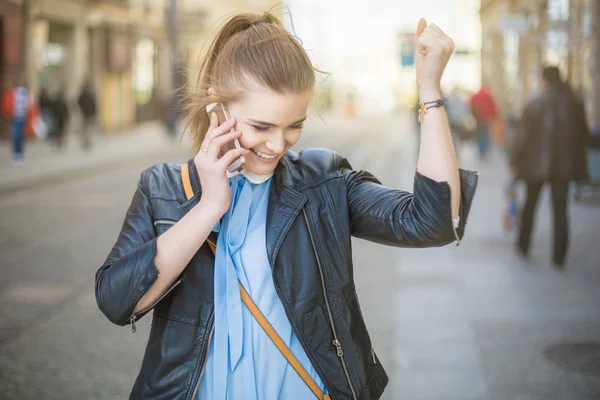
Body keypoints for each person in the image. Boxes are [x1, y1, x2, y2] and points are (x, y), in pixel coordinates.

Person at [95, 12, 478, 400]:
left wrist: (429, 91)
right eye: (261, 127)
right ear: (217, 103)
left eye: (294, 125)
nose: (278, 145)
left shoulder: (323, 182)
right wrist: (209, 206)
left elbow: (433, 222)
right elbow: (117, 301)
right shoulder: (162, 188)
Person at [510, 66, 588, 268]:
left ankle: (523, 245)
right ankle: (559, 256)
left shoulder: (535, 103)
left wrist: (515, 162)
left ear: (544, 80)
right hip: (563, 167)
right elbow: (583, 137)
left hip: (535, 166)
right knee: (561, 211)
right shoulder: (573, 104)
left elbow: (521, 138)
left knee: (530, 205)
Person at [1, 77, 33, 164]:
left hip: (23, 118)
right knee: (15, 136)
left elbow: (30, 105)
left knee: (21, 137)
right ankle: (15, 154)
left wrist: (29, 115)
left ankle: (20, 153)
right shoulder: (10, 93)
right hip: (14, 118)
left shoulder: (25, 93)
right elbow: (6, 105)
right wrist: (9, 114)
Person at [470, 84, 497, 159]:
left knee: (479, 134)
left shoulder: (475, 95)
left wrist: (474, 115)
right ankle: (485, 149)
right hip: (486, 118)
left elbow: (471, 105)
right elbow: (493, 106)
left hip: (478, 118)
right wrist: (493, 116)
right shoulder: (489, 95)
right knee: (485, 134)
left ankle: (481, 150)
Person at [78, 81, 96, 150]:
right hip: (86, 115)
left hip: (87, 115)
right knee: (86, 130)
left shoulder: (87, 95)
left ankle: (86, 142)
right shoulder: (87, 95)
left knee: (87, 130)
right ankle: (86, 142)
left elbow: (93, 105)